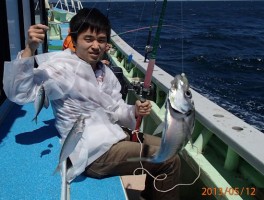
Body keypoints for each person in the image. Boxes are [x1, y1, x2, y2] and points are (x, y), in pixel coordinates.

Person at [3, 8, 181, 200]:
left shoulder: (106, 72)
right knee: (169, 160)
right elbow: (20, 92)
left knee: (171, 148)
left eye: (101, 40)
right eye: (88, 39)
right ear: (73, 40)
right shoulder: (61, 68)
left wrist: (134, 110)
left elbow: (116, 109)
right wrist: (29, 49)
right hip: (91, 150)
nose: (96, 46)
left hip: (113, 134)